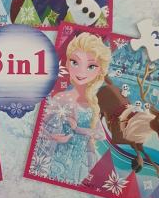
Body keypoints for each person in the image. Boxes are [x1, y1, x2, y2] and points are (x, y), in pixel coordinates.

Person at [42, 32, 111, 184]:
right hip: (59, 160)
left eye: (91, 66)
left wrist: (77, 129)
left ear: (100, 71)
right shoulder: (61, 98)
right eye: (75, 62)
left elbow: (101, 135)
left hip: (81, 164)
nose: (81, 71)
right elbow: (40, 128)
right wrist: (53, 137)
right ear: (67, 63)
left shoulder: (93, 103)